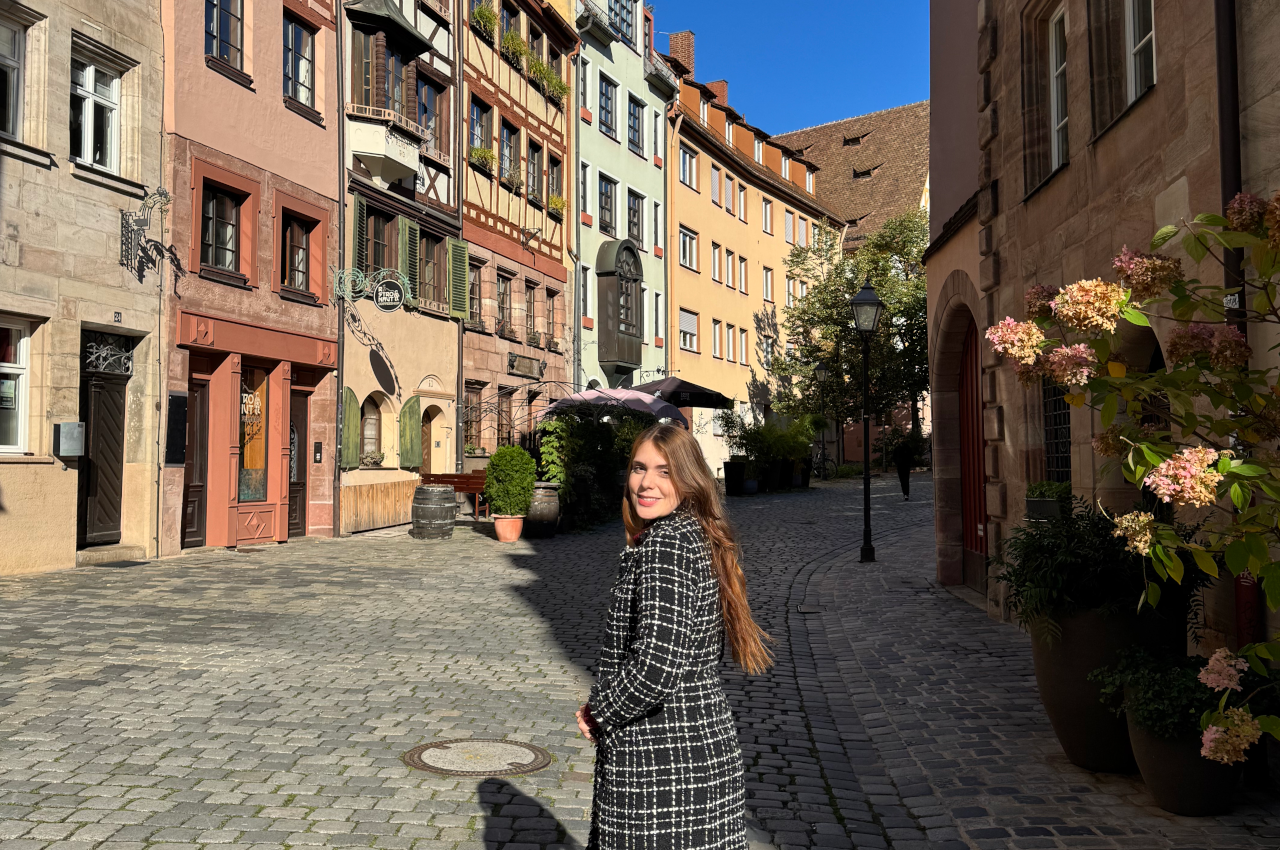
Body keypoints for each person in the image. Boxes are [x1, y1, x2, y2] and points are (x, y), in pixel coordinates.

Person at [576, 424, 772, 849]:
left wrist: (599, 711)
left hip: (662, 762)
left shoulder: (667, 544)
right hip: (693, 752)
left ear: (689, 480)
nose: (646, 482)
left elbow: (656, 666)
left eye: (664, 472)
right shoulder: (690, 533)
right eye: (639, 468)